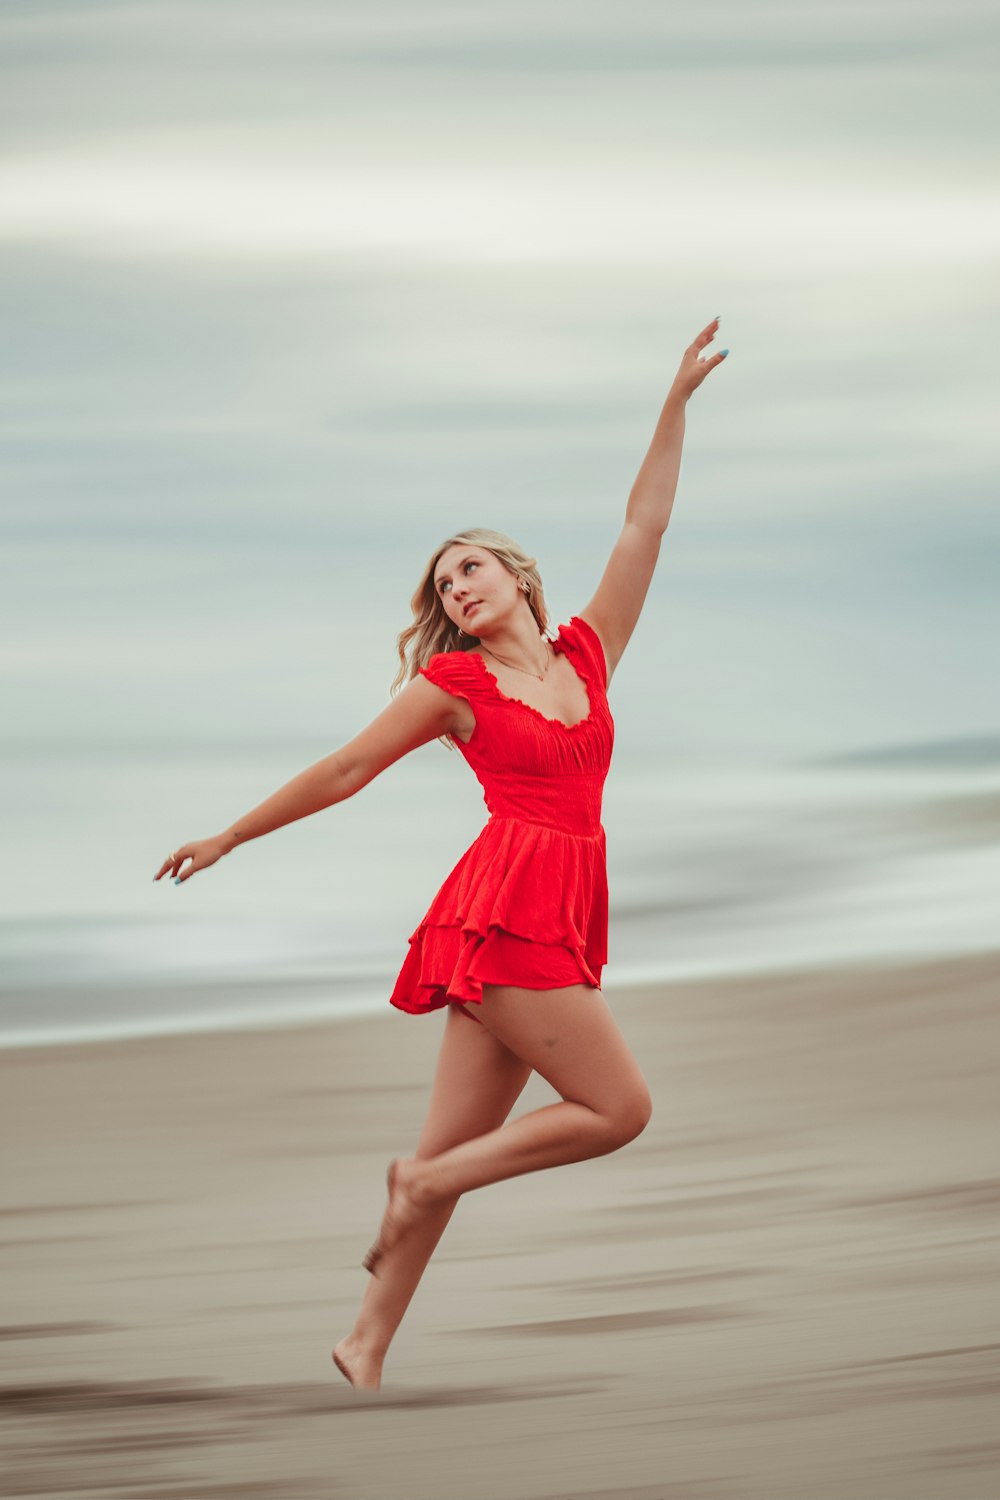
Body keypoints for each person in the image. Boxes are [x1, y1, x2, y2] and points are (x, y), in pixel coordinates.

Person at [154, 318, 728, 1391]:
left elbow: (643, 527)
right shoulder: (454, 689)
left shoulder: (589, 655)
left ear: (515, 575)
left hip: (551, 901)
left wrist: (675, 403)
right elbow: (342, 770)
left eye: (469, 568)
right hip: (506, 910)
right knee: (617, 1111)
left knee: (456, 1148)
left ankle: (364, 1342)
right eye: (443, 586)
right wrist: (232, 833)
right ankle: (416, 1189)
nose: (457, 587)